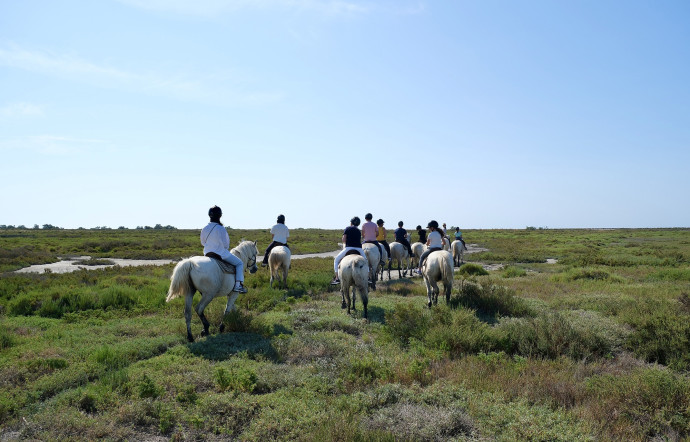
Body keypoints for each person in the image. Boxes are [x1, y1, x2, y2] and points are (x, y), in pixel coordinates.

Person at [200, 205, 247, 293]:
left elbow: (203, 243)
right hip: (221, 254)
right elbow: (226, 245)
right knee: (239, 263)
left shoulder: (204, 228)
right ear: (220, 215)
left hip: (207, 254)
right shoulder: (221, 228)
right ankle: (238, 286)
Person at [331, 216, 368, 285]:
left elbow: (344, 239)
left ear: (351, 222)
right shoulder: (358, 231)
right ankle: (368, 278)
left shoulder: (347, 228)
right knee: (366, 261)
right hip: (359, 249)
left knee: (336, 260)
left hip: (348, 248)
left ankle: (337, 278)